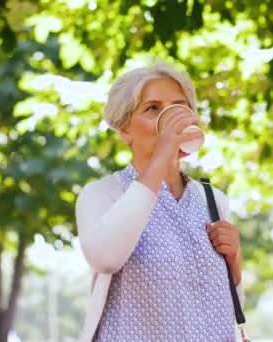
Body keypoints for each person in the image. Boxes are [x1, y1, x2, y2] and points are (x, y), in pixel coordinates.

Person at [75, 63, 244, 341]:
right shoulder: (103, 194)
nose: (170, 117)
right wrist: (161, 157)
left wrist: (234, 259)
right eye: (152, 108)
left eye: (179, 107)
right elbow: (105, 258)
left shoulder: (213, 200)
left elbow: (226, 303)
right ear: (124, 130)